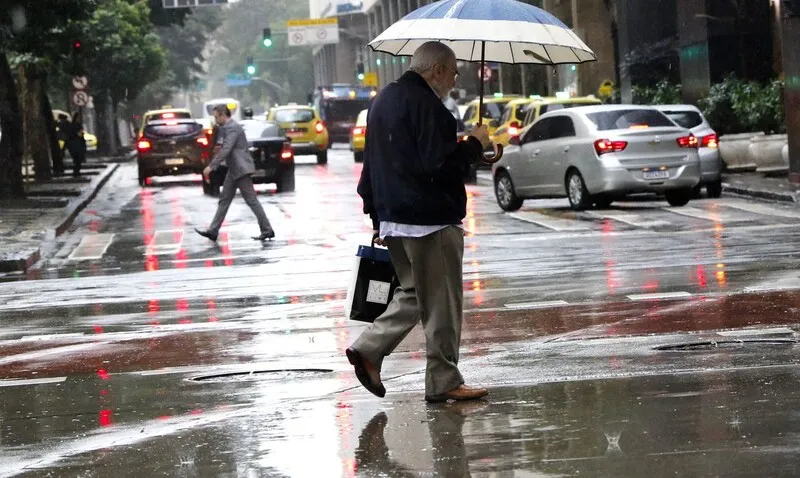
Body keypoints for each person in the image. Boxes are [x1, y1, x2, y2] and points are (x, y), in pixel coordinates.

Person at [346, 41, 493, 403]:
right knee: (441, 303)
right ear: (437, 70)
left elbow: (373, 167)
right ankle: (443, 380)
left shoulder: (381, 102)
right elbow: (439, 167)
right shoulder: (432, 109)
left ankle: (369, 348)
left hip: (395, 220)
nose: (455, 80)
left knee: (414, 293)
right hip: (430, 222)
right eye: (454, 71)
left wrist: (378, 216)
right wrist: (474, 145)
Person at [195, 104, 275, 242]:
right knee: (224, 200)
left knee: (251, 201)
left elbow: (227, 149)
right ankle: (213, 231)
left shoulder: (232, 128)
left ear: (222, 115)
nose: (215, 120)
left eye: (216, 117)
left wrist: (211, 167)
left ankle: (267, 230)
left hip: (240, 169)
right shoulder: (226, 128)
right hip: (234, 169)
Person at [65, 111, 87, 177]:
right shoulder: (76, 126)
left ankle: (76, 172)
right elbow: (79, 135)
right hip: (76, 144)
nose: (79, 119)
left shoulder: (72, 125)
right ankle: (76, 172)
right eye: (78, 118)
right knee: (77, 159)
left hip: (74, 145)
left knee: (77, 160)